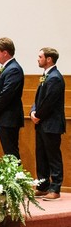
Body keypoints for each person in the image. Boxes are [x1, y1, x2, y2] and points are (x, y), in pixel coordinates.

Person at [30, 47, 65, 201]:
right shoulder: (47, 76)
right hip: (42, 123)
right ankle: (43, 186)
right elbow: (38, 99)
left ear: (49, 59)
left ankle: (55, 188)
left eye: (40, 57)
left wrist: (37, 115)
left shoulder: (55, 77)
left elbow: (49, 102)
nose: (38, 59)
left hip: (51, 124)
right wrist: (33, 111)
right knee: (41, 155)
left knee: (53, 156)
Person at [0, 37, 24, 159]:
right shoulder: (7, 68)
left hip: (9, 117)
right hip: (3, 117)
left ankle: (16, 178)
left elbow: (6, 94)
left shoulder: (14, 69)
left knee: (11, 152)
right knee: (8, 151)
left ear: (5, 53)